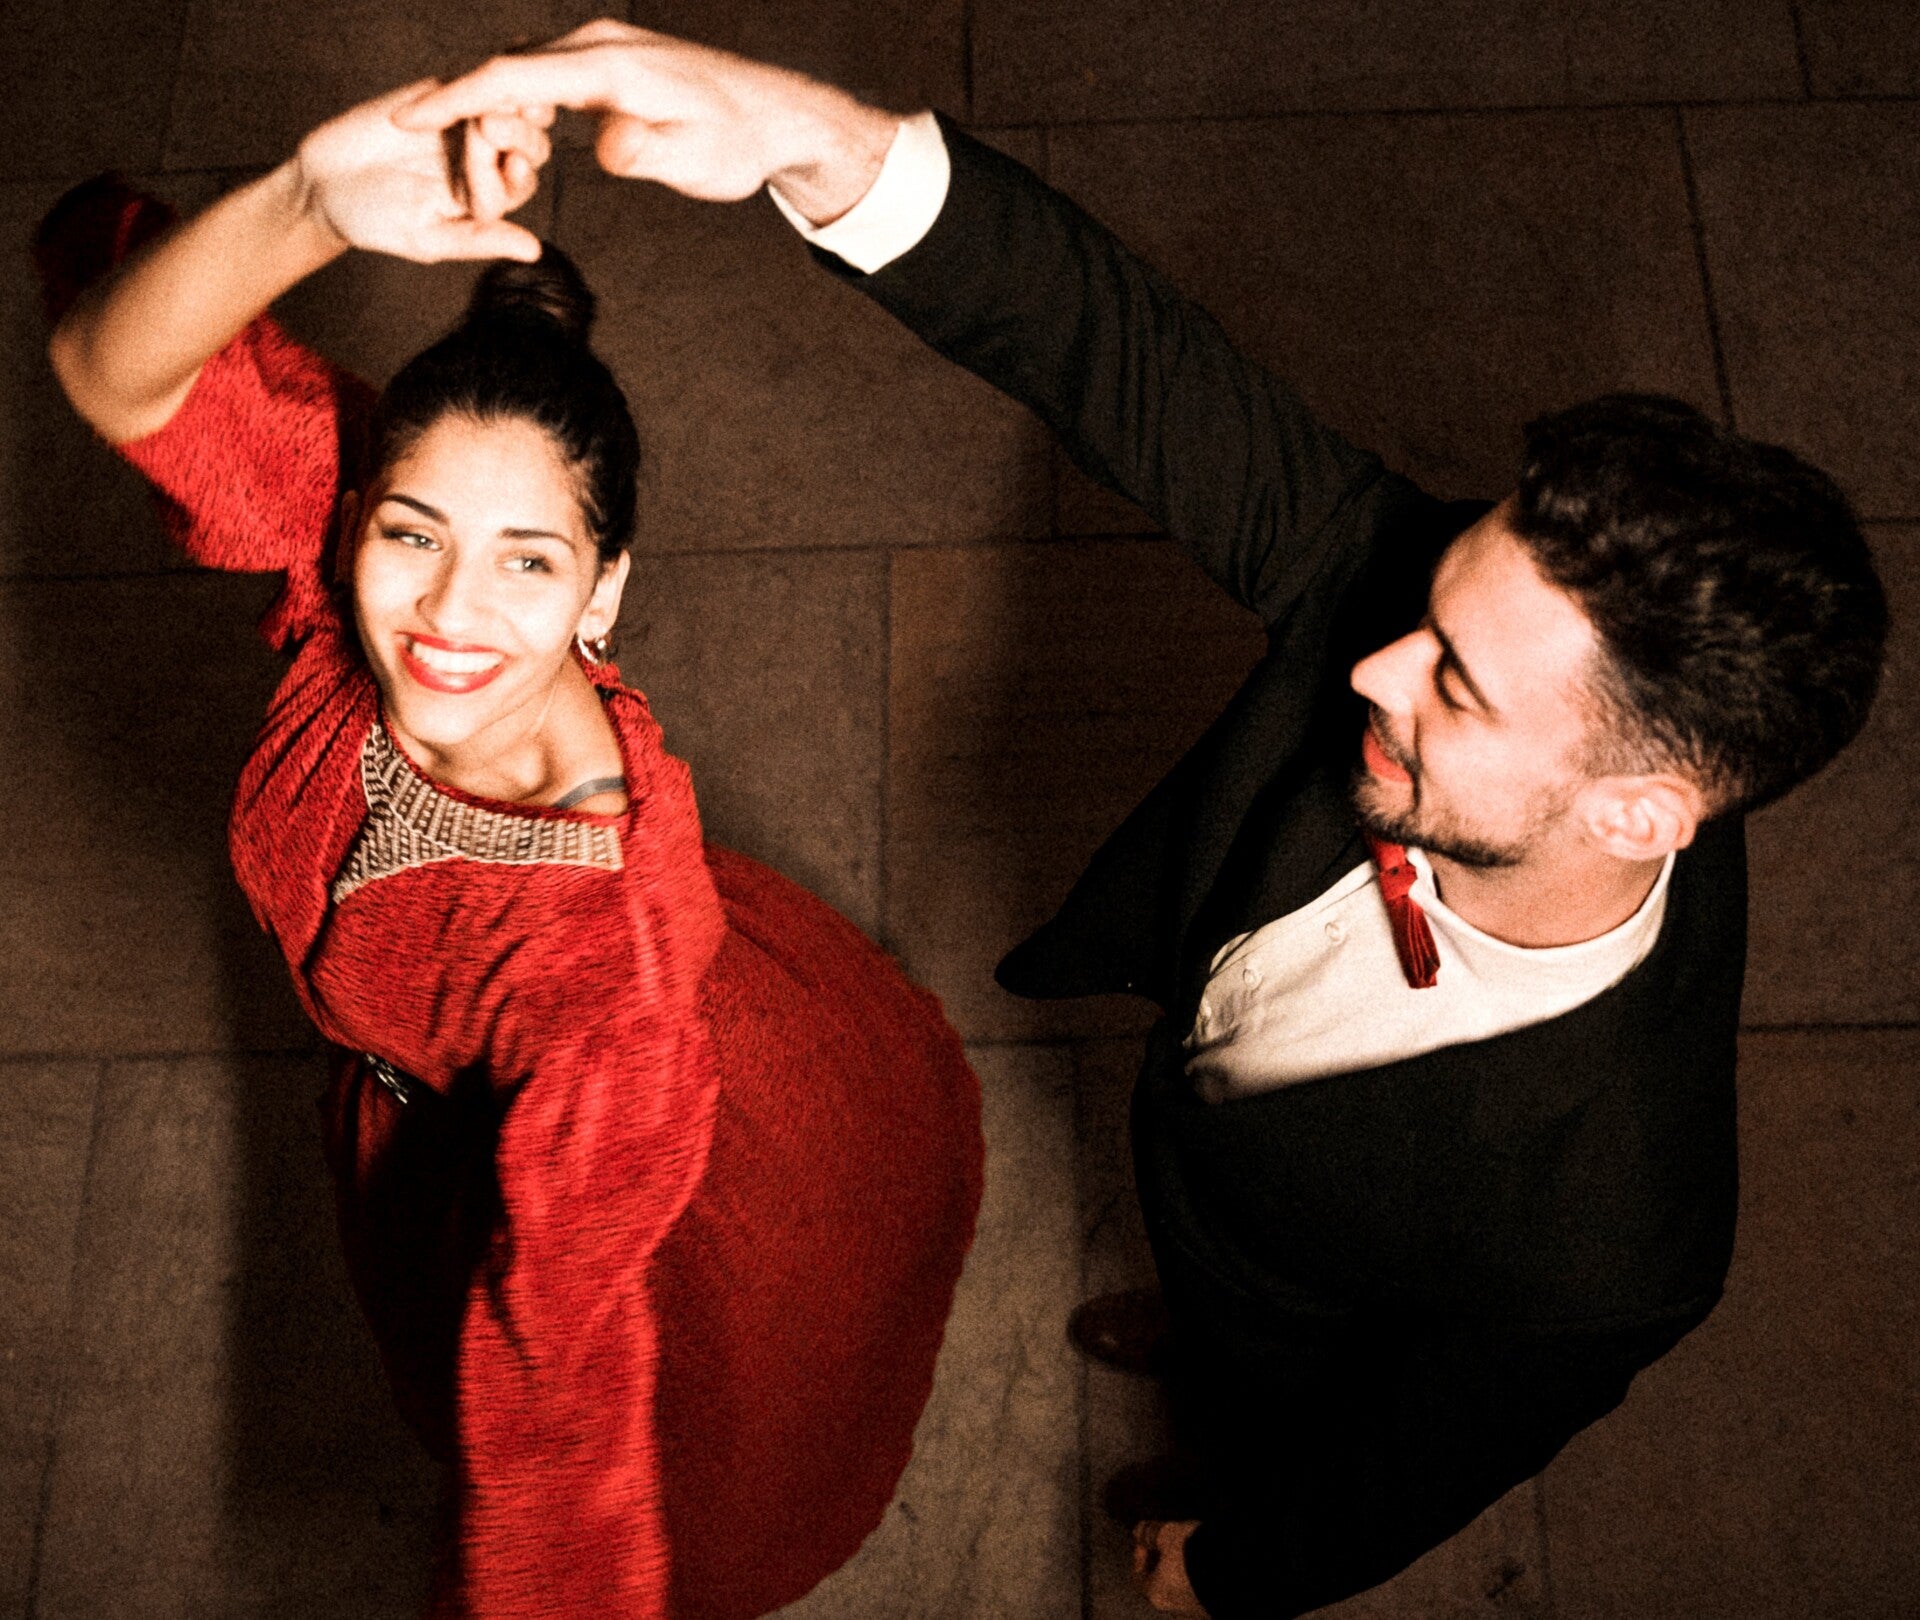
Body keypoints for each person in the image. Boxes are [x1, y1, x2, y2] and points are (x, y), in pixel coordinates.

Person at [393, 20, 1892, 1619]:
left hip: (1327, 1326)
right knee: (1214, 1263)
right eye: (1434, 606)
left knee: (1281, 1403)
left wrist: (1233, 1574)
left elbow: (1424, 1460)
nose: (1371, 656)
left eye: (1454, 683)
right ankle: (1195, 1308)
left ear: (1641, 810)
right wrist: (804, 138)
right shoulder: (1421, 620)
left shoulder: (1619, 1244)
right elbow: (1122, 351)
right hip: (1223, 1189)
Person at [37, 74, 983, 1620]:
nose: (449, 616)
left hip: (590, 1142)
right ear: (357, 519)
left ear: (605, 593)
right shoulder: (337, 527)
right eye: (411, 534)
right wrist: (312, 203)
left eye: (529, 563)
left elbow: (561, 1402)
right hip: (418, 1085)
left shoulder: (602, 979)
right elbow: (113, 364)